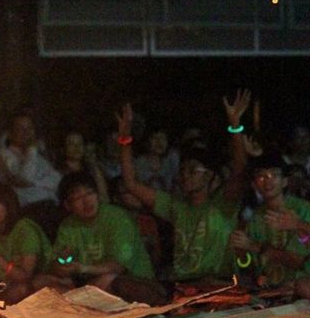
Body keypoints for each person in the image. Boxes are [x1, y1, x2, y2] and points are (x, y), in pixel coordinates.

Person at [116, 91, 250, 288]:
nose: (185, 175)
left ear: (209, 175)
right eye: (182, 171)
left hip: (218, 284)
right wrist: (125, 139)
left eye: (193, 170)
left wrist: (235, 126)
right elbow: (130, 184)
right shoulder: (175, 206)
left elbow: (240, 171)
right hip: (183, 285)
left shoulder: (223, 204)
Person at [52, 172, 167, 306]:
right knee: (43, 283)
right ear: (67, 204)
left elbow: (118, 267)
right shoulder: (68, 226)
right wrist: (61, 264)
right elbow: (57, 262)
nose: (87, 201)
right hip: (91, 285)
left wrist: (82, 268)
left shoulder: (117, 218)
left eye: (89, 193)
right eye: (78, 197)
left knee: (109, 280)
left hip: (135, 280)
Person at [0, 181, 62, 303]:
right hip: (11, 287)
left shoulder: (25, 229)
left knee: (20, 290)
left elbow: (24, 277)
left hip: (41, 285)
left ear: (8, 203)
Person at [229, 153, 310, 289]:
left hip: (299, 289)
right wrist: (241, 253)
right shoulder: (255, 216)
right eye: (261, 176)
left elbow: (298, 261)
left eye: (273, 175)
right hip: (270, 290)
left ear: (285, 181)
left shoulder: (303, 210)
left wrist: (254, 246)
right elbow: (248, 265)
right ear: (254, 184)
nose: (267, 181)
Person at [0, 111, 62, 240]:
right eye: (20, 128)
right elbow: (25, 177)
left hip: (51, 209)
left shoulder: (38, 155)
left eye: (29, 128)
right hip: (28, 213)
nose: (26, 132)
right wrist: (31, 150)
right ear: (10, 133)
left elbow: (57, 179)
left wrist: (35, 183)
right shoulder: (5, 155)